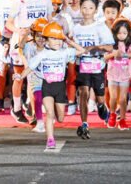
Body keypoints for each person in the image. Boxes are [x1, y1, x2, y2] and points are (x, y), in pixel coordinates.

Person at [15, 22, 85, 151]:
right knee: (49, 114)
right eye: (53, 38)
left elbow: (82, 50)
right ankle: (50, 139)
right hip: (47, 86)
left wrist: (68, 40)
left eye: (59, 39)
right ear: (46, 40)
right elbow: (30, 68)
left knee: (61, 118)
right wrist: (20, 76)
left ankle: (54, 110)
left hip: (59, 88)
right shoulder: (42, 54)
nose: (57, 42)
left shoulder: (64, 52)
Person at [7, 0, 53, 124]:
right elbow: (9, 23)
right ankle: (17, 108)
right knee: (20, 77)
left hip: (39, 43)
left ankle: (33, 111)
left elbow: (49, 19)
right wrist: (18, 30)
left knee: (35, 77)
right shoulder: (20, 0)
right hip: (22, 43)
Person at [72, 0, 114, 138]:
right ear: (80, 8)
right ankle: (84, 123)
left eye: (90, 8)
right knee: (83, 93)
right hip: (82, 67)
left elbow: (110, 48)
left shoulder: (100, 27)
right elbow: (73, 46)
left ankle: (102, 106)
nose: (87, 11)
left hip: (97, 67)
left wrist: (95, 47)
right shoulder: (76, 28)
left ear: (96, 10)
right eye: (84, 7)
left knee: (99, 98)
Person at [105, 17, 131, 130]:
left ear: (128, 33)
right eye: (119, 33)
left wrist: (125, 55)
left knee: (123, 99)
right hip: (112, 74)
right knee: (113, 97)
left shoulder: (130, 45)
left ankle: (123, 119)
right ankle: (112, 114)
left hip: (124, 75)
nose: (122, 35)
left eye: (124, 33)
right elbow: (105, 57)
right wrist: (114, 54)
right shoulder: (111, 44)